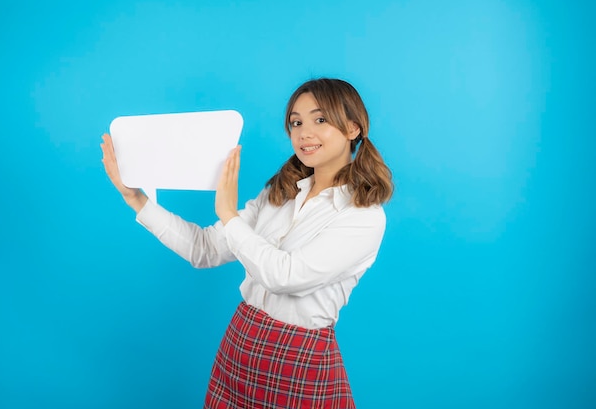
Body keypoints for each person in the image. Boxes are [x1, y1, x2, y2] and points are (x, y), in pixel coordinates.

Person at [101, 78, 394, 408]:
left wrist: (229, 214)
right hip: (241, 343)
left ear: (353, 128)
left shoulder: (363, 216)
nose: (304, 133)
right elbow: (205, 249)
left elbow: (285, 277)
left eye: (320, 119)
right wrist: (136, 199)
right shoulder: (279, 194)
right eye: (296, 122)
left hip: (298, 358)